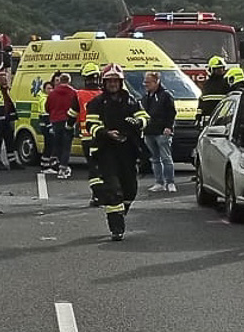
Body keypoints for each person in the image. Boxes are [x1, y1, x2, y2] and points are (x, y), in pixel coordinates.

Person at [86, 63, 150, 241]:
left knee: (131, 189)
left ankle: (121, 211)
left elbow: (144, 117)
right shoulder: (97, 103)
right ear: (104, 83)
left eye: (116, 80)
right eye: (110, 81)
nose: (113, 83)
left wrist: (137, 123)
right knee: (113, 190)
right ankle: (116, 228)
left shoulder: (131, 100)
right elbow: (91, 124)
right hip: (106, 150)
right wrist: (106, 133)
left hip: (128, 150)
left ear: (121, 82)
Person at [69, 63, 103, 204]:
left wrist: (68, 127)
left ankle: (96, 196)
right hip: (104, 137)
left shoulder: (79, 95)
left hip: (88, 139)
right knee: (105, 166)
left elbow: (71, 115)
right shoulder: (104, 94)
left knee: (93, 167)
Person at [141, 71, 177, 193]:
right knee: (155, 158)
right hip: (149, 132)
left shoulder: (166, 95)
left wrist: (169, 127)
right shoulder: (146, 97)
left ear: (156, 82)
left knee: (166, 158)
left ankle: (170, 182)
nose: (145, 84)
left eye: (148, 82)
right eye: (145, 82)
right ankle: (159, 182)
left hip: (162, 132)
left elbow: (171, 113)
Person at [0, 71, 24, 170]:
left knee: (10, 142)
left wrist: (13, 119)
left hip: (7, 121)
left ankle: (12, 162)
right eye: (2, 79)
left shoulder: (8, 90)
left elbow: (11, 106)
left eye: (5, 78)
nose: (5, 80)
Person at [46, 73, 78, 179]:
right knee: (66, 146)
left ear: (60, 81)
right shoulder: (74, 93)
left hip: (56, 121)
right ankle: (63, 168)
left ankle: (58, 164)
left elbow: (47, 107)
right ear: (69, 81)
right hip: (69, 121)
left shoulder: (53, 93)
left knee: (58, 144)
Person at [197, 55, 230, 127]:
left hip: (222, 119)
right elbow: (202, 101)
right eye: (218, 69)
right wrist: (198, 116)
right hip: (209, 120)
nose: (220, 71)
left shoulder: (226, 83)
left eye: (221, 69)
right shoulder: (207, 84)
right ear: (212, 70)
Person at [34, 81, 56, 174]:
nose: (50, 90)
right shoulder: (44, 99)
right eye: (48, 88)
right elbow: (45, 114)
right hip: (46, 126)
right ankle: (45, 166)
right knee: (48, 145)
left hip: (46, 125)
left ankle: (46, 164)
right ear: (44, 89)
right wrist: (50, 126)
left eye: (51, 88)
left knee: (49, 145)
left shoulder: (48, 97)